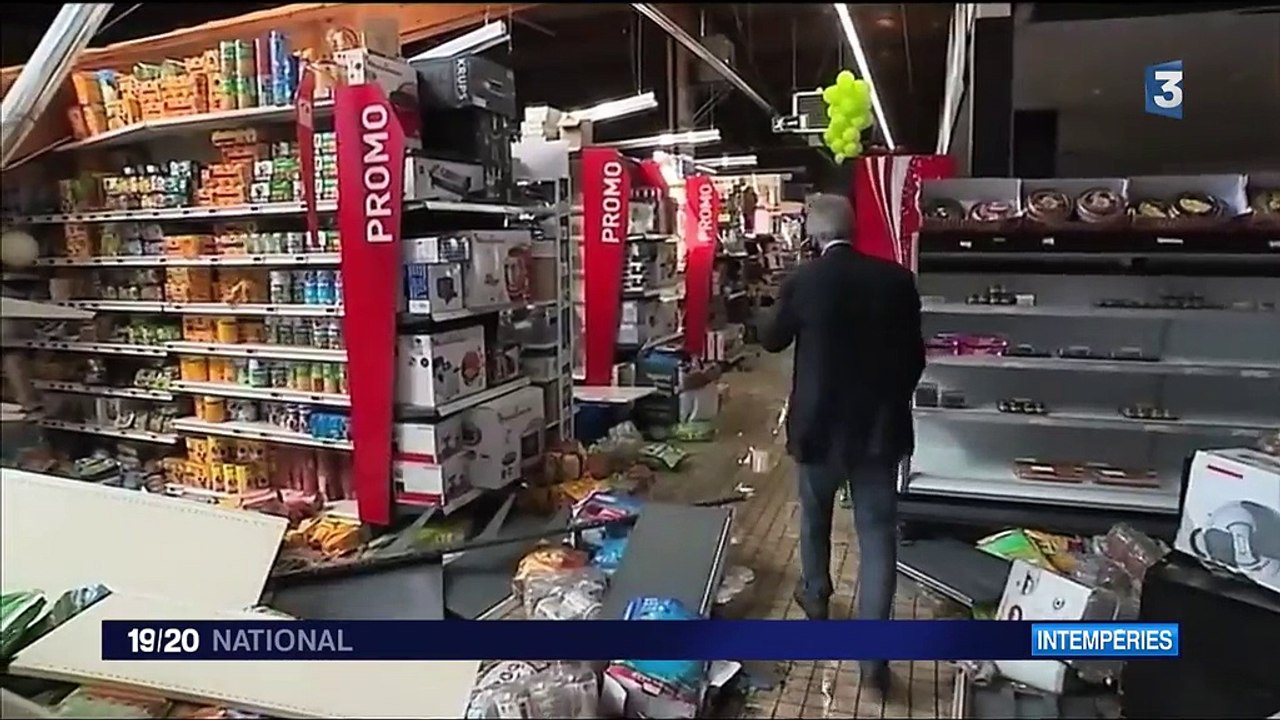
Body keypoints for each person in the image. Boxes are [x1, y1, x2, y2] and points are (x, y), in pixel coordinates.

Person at [759, 193, 925, 695]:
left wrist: (768, 305)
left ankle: (816, 598)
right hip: (878, 433)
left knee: (815, 519)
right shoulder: (897, 281)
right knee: (877, 540)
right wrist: (888, 402)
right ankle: (873, 660)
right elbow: (916, 360)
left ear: (814, 234)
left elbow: (770, 339)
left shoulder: (805, 280)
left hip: (818, 430)